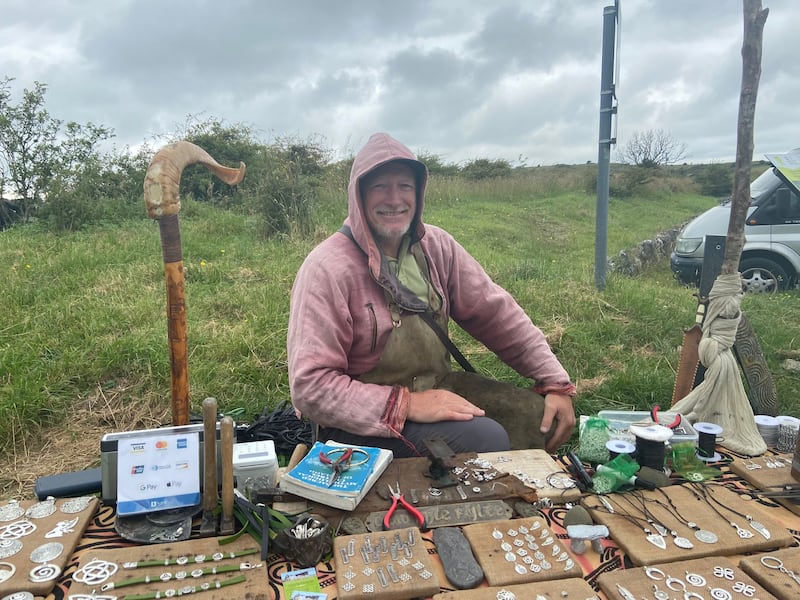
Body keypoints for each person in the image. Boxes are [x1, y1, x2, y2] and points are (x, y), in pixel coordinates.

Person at [287, 133, 576, 457]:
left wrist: (555, 382)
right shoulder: (327, 268)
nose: (394, 199)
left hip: (436, 386)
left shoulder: (436, 248)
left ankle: (505, 500)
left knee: (538, 420)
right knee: (486, 438)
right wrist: (406, 405)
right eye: (380, 186)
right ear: (359, 195)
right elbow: (311, 387)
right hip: (358, 420)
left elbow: (496, 313)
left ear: (418, 193)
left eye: (405, 186)